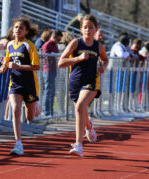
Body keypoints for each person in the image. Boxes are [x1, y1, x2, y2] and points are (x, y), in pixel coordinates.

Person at [58, 15, 109, 157]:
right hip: (75, 82)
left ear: (95, 30)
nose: (88, 30)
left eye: (91, 27)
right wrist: (78, 58)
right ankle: (89, 126)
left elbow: (105, 59)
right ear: (81, 29)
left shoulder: (98, 46)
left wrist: (103, 66)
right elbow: (61, 62)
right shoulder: (75, 43)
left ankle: (78, 145)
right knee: (81, 110)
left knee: (80, 107)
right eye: (85, 27)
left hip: (91, 82)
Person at [0, 17, 39, 156]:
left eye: (21, 28)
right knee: (15, 110)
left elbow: (36, 66)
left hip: (29, 84)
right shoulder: (9, 44)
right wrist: (3, 67)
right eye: (16, 27)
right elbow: (7, 60)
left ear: (26, 31)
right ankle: (18, 143)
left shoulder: (29, 45)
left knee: (30, 117)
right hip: (15, 83)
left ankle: (35, 105)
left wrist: (18, 66)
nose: (17, 29)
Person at [41, 30, 63, 116]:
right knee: (48, 91)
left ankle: (50, 111)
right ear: (53, 37)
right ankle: (45, 111)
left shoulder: (55, 46)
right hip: (47, 71)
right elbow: (46, 58)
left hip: (53, 71)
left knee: (52, 91)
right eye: (58, 40)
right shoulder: (47, 45)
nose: (59, 42)